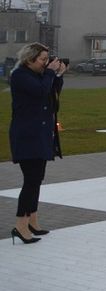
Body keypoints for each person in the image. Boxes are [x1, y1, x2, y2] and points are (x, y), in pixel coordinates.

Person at [8, 42, 66, 244]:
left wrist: (58, 75)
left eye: (46, 60)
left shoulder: (40, 76)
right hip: (27, 136)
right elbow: (40, 91)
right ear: (29, 59)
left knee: (37, 179)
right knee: (31, 180)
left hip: (40, 135)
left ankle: (32, 220)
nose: (45, 63)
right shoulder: (20, 76)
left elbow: (51, 96)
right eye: (42, 60)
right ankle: (20, 225)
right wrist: (50, 74)